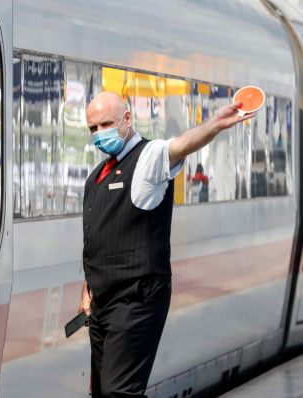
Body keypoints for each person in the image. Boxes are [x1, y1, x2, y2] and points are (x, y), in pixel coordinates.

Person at [78, 92, 253, 397]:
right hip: (103, 300)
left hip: (138, 295)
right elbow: (99, 238)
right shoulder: (96, 177)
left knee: (120, 392)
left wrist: (215, 124)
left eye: (106, 124)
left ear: (127, 119)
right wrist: (87, 288)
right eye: (93, 128)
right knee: (104, 392)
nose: (99, 134)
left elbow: (182, 144)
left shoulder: (149, 157)